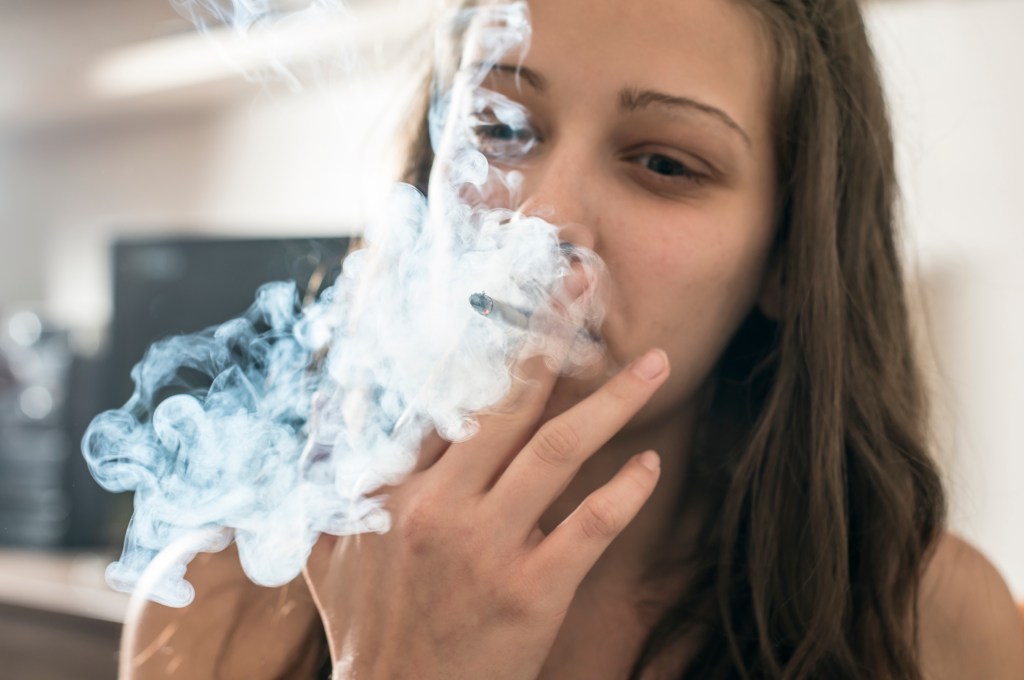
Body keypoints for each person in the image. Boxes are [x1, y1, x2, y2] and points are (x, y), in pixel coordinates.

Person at [120, 0, 1024, 678]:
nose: (543, 221)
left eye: (664, 163)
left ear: (789, 258)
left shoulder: (929, 623)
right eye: (500, 126)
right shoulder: (215, 600)